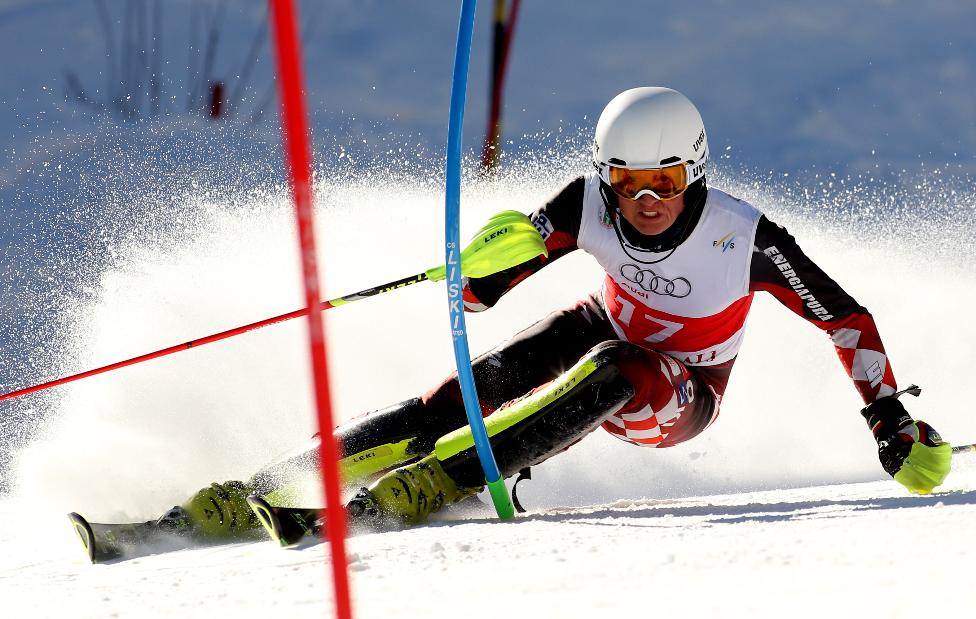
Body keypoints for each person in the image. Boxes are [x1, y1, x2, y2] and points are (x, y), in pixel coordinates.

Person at [174, 87, 952, 538]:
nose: (646, 201)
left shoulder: (744, 237)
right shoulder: (586, 204)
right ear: (604, 176)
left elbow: (845, 317)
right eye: (628, 181)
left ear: (695, 172)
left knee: (620, 364)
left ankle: (440, 482)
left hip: (680, 393)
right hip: (600, 328)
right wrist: (481, 268)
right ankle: (265, 485)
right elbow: (483, 291)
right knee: (477, 384)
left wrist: (887, 417)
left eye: (666, 181)